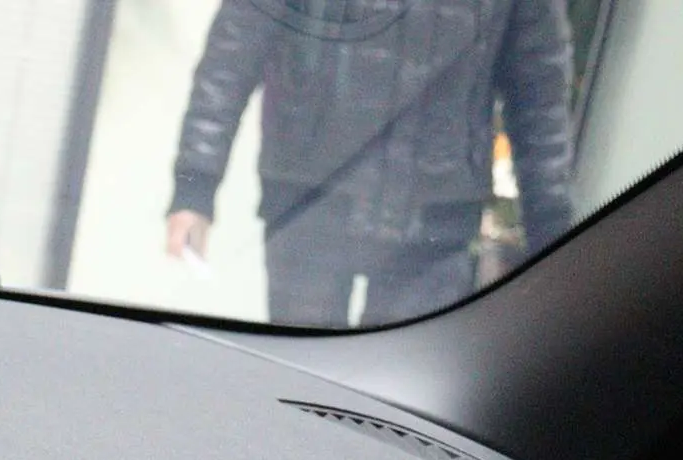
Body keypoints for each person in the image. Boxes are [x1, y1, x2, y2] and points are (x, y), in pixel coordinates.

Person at [164, 0, 578, 327]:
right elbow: (235, 49)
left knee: (398, 392)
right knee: (305, 382)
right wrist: (194, 187)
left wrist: (552, 230)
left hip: (431, 225)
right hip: (310, 206)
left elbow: (538, 91)